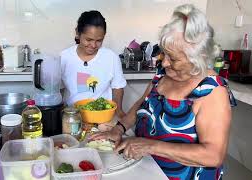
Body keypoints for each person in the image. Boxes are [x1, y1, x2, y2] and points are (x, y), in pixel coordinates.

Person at [91, 4, 236, 180]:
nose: (165, 63)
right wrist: (119, 128)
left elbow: (213, 155)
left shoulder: (212, 91)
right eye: (163, 54)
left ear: (198, 59)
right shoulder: (162, 74)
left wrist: (151, 146)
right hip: (148, 170)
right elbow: (141, 105)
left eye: (173, 58)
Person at [60, 10, 127, 118]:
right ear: (78, 33)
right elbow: (59, 89)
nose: (93, 45)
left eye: (99, 40)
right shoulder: (64, 57)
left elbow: (118, 87)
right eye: (88, 39)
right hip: (72, 115)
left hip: (103, 116)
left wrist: (118, 110)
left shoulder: (111, 57)